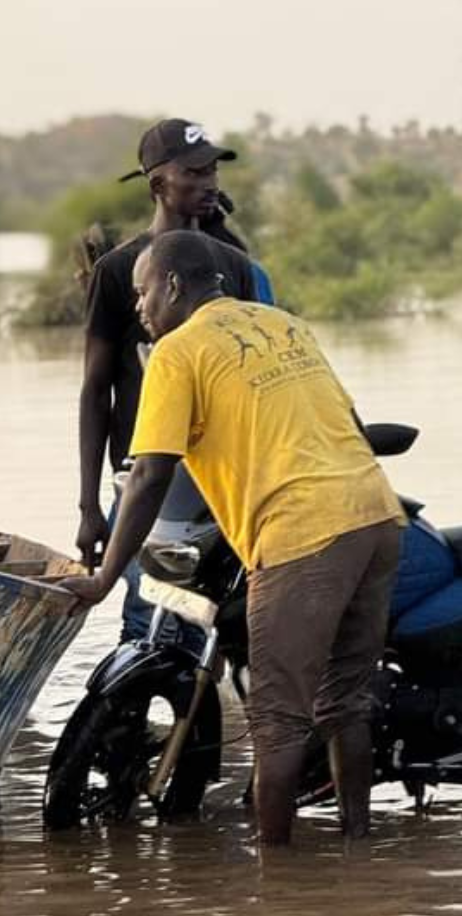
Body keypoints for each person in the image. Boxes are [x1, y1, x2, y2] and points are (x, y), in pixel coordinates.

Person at [63, 230, 404, 846]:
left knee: (276, 723)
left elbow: (147, 473)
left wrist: (105, 577)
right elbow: (348, 426)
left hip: (303, 533)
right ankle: (358, 851)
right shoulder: (284, 325)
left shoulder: (176, 351)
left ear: (172, 284)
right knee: (345, 703)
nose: (138, 308)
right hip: (376, 518)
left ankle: (272, 898)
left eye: (142, 293)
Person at [77, 118, 259, 641]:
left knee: (216, 618)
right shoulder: (118, 272)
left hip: (215, 477)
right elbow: (95, 390)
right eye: (195, 172)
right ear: (158, 184)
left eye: (213, 171)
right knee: (144, 617)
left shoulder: (233, 265)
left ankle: (203, 721)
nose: (210, 183)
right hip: (144, 475)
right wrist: (91, 506)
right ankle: (134, 723)